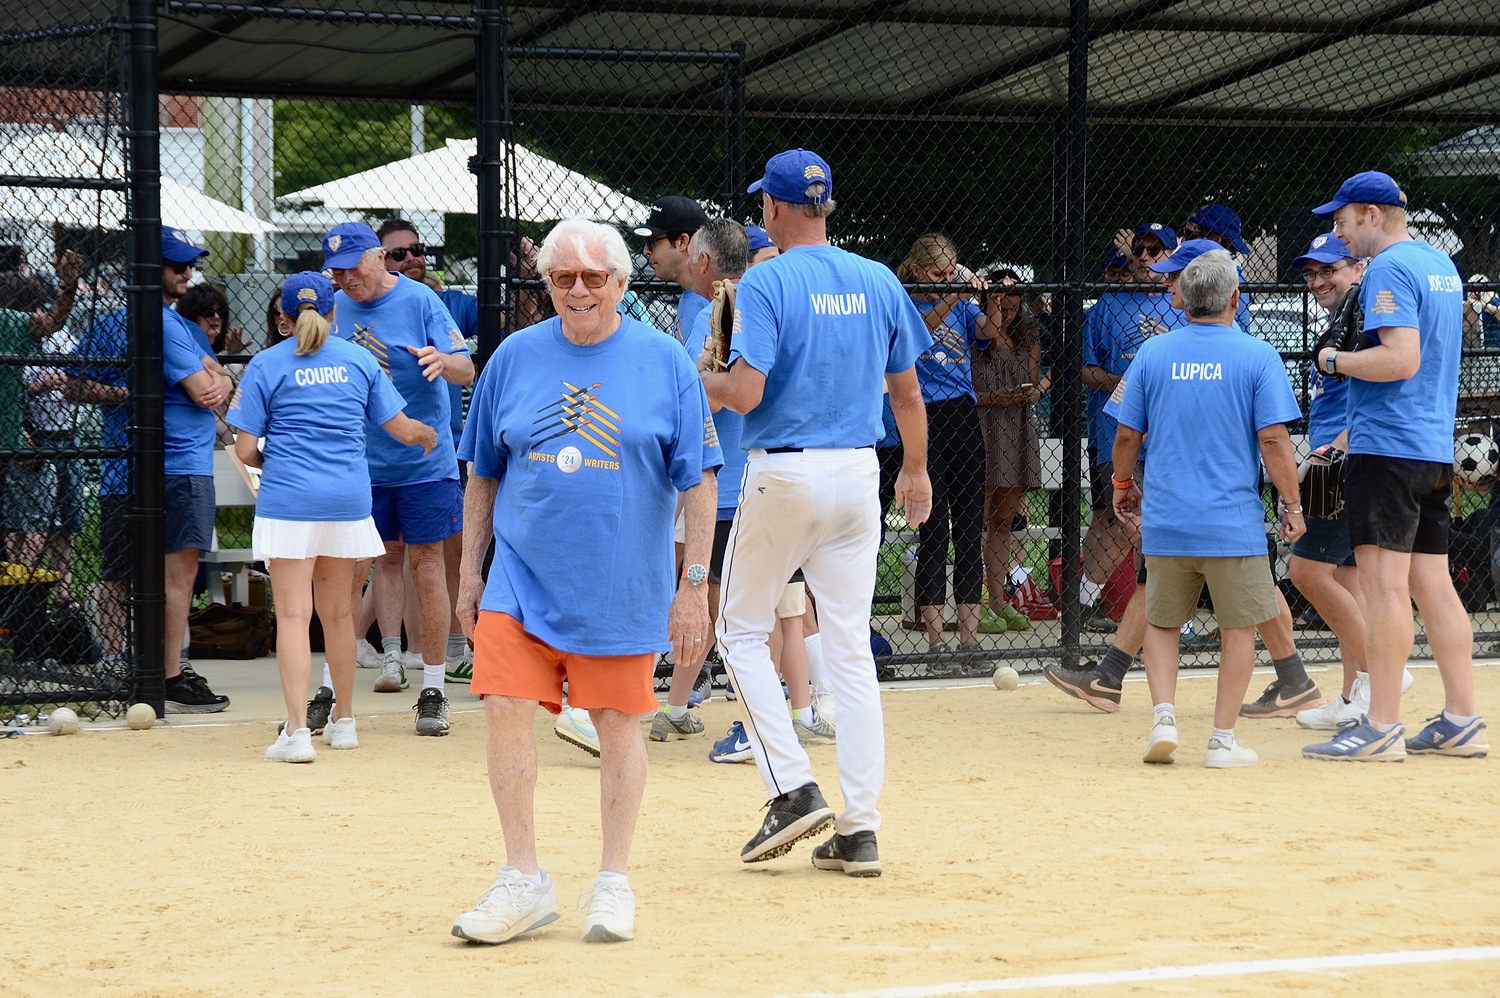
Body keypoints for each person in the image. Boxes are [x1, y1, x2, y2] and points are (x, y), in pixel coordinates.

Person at [451, 217, 720, 945]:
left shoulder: (665, 361)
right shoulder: (511, 357)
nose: (578, 290)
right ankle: (523, 879)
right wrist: (470, 571)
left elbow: (699, 481)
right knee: (504, 705)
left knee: (616, 725)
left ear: (622, 284)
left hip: (618, 584)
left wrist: (693, 582)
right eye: (563, 277)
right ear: (546, 285)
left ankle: (613, 881)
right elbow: (483, 473)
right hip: (520, 576)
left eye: (593, 277)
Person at [703, 148, 932, 877]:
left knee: (738, 631)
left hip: (785, 474)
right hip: (859, 471)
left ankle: (792, 787)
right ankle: (860, 828)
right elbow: (907, 395)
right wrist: (918, 471)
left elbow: (745, 394)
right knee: (849, 649)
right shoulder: (876, 278)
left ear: (772, 208)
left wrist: (700, 375)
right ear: (825, 206)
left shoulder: (768, 280)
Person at [1044, 239, 1322, 716]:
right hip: (1203, 487)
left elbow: (1137, 429)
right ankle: (1115, 678)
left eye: (1174, 275)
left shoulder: (1171, 346)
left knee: (1215, 586)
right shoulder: (1208, 342)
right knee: (1176, 579)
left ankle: (1139, 691)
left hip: (1193, 481)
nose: (1166, 281)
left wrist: (1122, 483)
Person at [1303, 171, 1487, 761]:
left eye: (1342, 219)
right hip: (1430, 444)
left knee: (1384, 589)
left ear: (1371, 215)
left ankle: (1381, 725)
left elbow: (1400, 358)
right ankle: (1462, 717)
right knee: (1432, 585)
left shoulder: (1386, 268)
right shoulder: (1442, 265)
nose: (1338, 231)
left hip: (1388, 448)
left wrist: (1335, 360)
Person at [228, 273, 437, 761]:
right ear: (333, 313)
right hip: (347, 501)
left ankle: (297, 733)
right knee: (339, 614)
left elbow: (243, 448)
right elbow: (403, 429)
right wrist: (429, 436)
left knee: (296, 618)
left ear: (282, 317)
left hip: (289, 502)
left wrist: (272, 461)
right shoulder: (358, 359)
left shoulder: (265, 364)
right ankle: (344, 721)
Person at [1108, 249, 1304, 769]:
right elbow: (1274, 439)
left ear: (1184, 301)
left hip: (1167, 519)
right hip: (1231, 523)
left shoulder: (1153, 353)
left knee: (1163, 623)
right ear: (1235, 300)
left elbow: (1128, 432)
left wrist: (1121, 484)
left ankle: (1164, 719)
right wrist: (1292, 503)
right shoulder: (1258, 355)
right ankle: (1221, 740)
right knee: (1239, 630)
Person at [324, 221, 474, 735]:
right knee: (359, 566)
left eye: (352, 269)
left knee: (428, 566)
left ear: (377, 258)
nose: (345, 280)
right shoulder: (332, 306)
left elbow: (467, 369)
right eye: (336, 272)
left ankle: (433, 687)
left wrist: (442, 360)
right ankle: (346, 677)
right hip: (357, 464)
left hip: (423, 461)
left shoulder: (421, 301)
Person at [1286, 233, 1412, 731]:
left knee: (1306, 572)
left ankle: (1383, 675)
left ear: (1357, 269)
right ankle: (1355, 694)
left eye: (1328, 270)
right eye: (1311, 274)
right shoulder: (1345, 315)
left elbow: (1370, 392)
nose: (1318, 281)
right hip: (1344, 456)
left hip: (1345, 458)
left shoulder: (1362, 314)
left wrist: (1333, 450)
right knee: (1346, 578)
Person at [896, 233, 987, 652]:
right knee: (935, 530)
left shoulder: (961, 303)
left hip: (962, 414)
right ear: (917, 270)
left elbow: (987, 332)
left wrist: (993, 300)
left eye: (951, 273)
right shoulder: (906, 300)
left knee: (970, 528)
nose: (946, 280)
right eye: (938, 273)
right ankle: (936, 641)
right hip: (925, 416)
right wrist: (954, 293)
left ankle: (969, 637)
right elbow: (922, 335)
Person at [972, 269, 1048, 630]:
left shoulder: (1029, 333)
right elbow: (963, 389)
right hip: (982, 424)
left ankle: (999, 600)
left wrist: (1030, 392)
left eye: (1015, 304)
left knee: (1003, 521)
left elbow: (1033, 380)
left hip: (1016, 426)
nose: (1010, 311)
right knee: (978, 517)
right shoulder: (975, 331)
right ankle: (973, 601)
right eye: (1003, 303)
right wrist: (993, 397)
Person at [633, 195, 709, 342]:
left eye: (652, 241)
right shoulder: (690, 294)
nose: (645, 250)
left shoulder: (708, 300)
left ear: (682, 242)